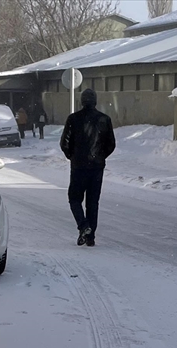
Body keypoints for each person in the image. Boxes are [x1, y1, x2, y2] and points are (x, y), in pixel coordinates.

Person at [60, 88, 116, 247]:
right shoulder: (104, 119)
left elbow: (64, 143)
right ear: (95, 101)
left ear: (82, 101)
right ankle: (90, 236)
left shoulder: (73, 119)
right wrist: (100, 156)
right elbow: (111, 144)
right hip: (97, 167)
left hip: (78, 167)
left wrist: (72, 156)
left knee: (74, 199)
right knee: (93, 202)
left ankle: (84, 226)